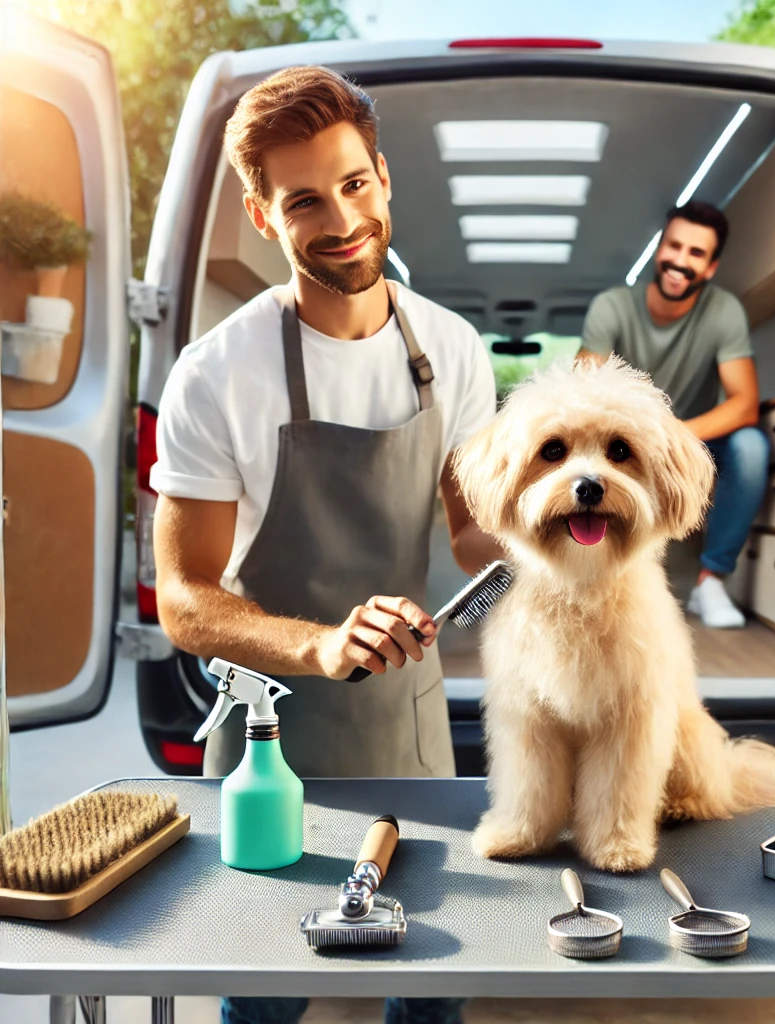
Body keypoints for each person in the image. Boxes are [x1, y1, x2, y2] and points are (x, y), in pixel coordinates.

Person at [149, 65, 500, 1024]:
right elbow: (183, 599)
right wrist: (319, 645)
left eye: (353, 184)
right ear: (264, 217)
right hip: (274, 745)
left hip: (412, 737)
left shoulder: (456, 349)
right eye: (304, 199)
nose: (341, 218)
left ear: (383, 177)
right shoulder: (217, 375)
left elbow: (470, 531)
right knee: (263, 1000)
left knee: (430, 994)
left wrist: (543, 544)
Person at [578, 200, 768, 628]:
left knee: (751, 447)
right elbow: (583, 395)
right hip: (620, 442)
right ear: (658, 248)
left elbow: (745, 402)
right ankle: (595, 574)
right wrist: (634, 439)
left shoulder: (724, 313)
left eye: (696, 253)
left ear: (712, 267)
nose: (680, 261)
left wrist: (672, 436)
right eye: (673, 246)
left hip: (689, 438)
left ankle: (711, 581)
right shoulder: (612, 307)